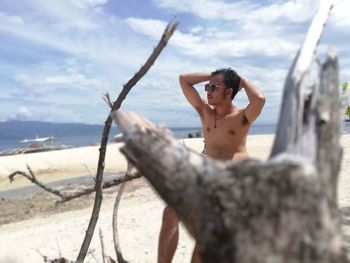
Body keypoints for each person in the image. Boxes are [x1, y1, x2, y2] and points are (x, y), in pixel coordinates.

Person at [157, 68, 265, 263]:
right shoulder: (205, 111)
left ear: (229, 92)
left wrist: (240, 79)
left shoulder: (242, 117)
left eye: (214, 87)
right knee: (170, 213)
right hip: (206, 175)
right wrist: (212, 76)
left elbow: (259, 99)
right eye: (208, 86)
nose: (208, 90)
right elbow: (184, 80)